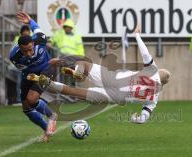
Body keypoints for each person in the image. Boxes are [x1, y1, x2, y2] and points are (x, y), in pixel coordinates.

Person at [28, 25, 171, 124]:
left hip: (115, 79)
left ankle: (75, 70)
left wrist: (137, 35)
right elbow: (144, 117)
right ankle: (48, 83)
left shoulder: (152, 71)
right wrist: (136, 118)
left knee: (85, 65)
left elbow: (145, 52)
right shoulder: (154, 99)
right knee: (76, 92)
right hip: (116, 97)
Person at [9, 11, 61, 142]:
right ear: (19, 48)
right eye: (24, 51)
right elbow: (28, 71)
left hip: (48, 70)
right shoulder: (14, 56)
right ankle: (47, 130)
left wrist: (30, 20)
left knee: (32, 99)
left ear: (33, 43)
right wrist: (47, 62)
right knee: (26, 107)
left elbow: (36, 28)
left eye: (30, 49)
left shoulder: (40, 39)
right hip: (30, 74)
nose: (28, 53)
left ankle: (51, 115)